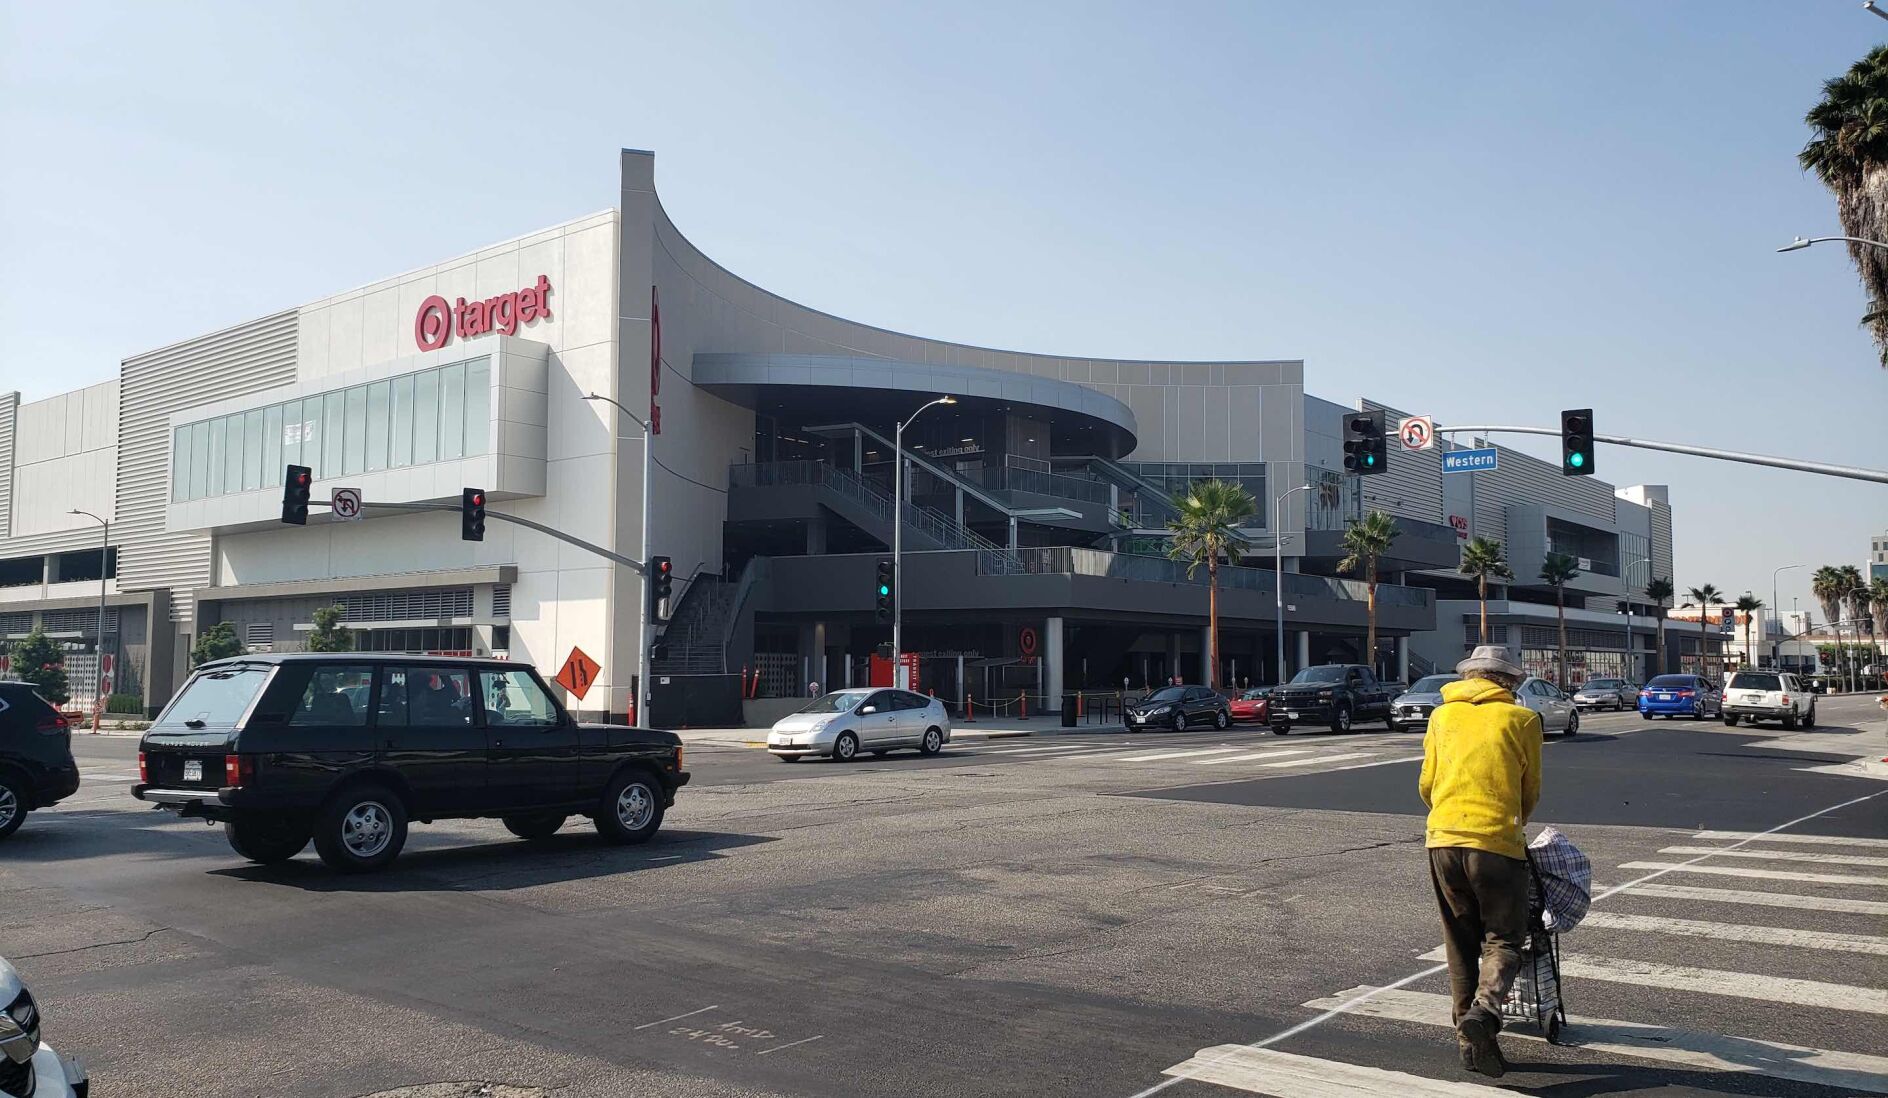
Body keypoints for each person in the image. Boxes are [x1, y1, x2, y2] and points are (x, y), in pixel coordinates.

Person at [1418, 645, 1543, 1079]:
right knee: (1503, 939)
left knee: (1459, 941)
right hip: (1495, 842)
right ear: (1508, 681)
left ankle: (1467, 1044)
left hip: (1443, 840)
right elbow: (1529, 791)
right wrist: (1510, 827)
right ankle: (1486, 1013)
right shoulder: (1522, 720)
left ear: (1471, 677)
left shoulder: (1441, 717)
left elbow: (1427, 783)